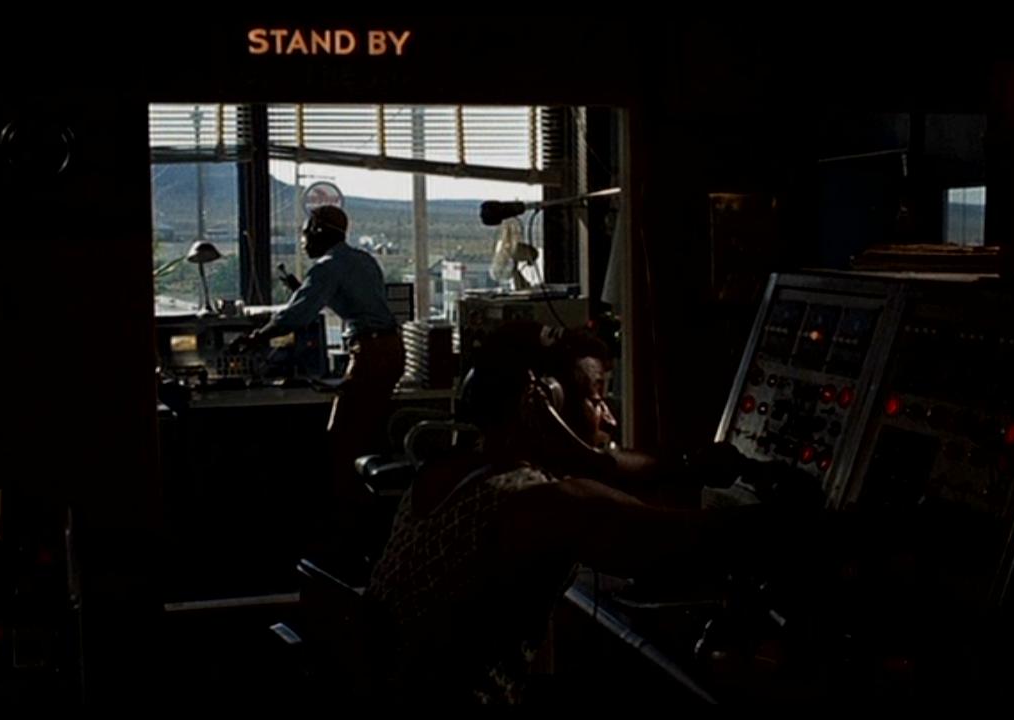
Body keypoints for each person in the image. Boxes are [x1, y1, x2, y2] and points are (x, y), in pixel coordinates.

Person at [367, 322, 820, 705]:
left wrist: (690, 465)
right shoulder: (536, 502)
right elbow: (683, 545)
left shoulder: (445, 473)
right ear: (545, 404)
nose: (610, 418)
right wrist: (813, 518)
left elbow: (611, 465)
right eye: (596, 398)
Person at [237, 205, 405, 521]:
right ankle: (372, 515)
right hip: (391, 348)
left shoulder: (327, 267)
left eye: (304, 233)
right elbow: (355, 300)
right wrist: (305, 291)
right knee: (367, 431)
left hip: (371, 352)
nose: (302, 242)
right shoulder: (363, 259)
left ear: (317, 231)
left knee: (341, 436)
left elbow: (295, 317)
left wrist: (256, 338)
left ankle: (348, 520)